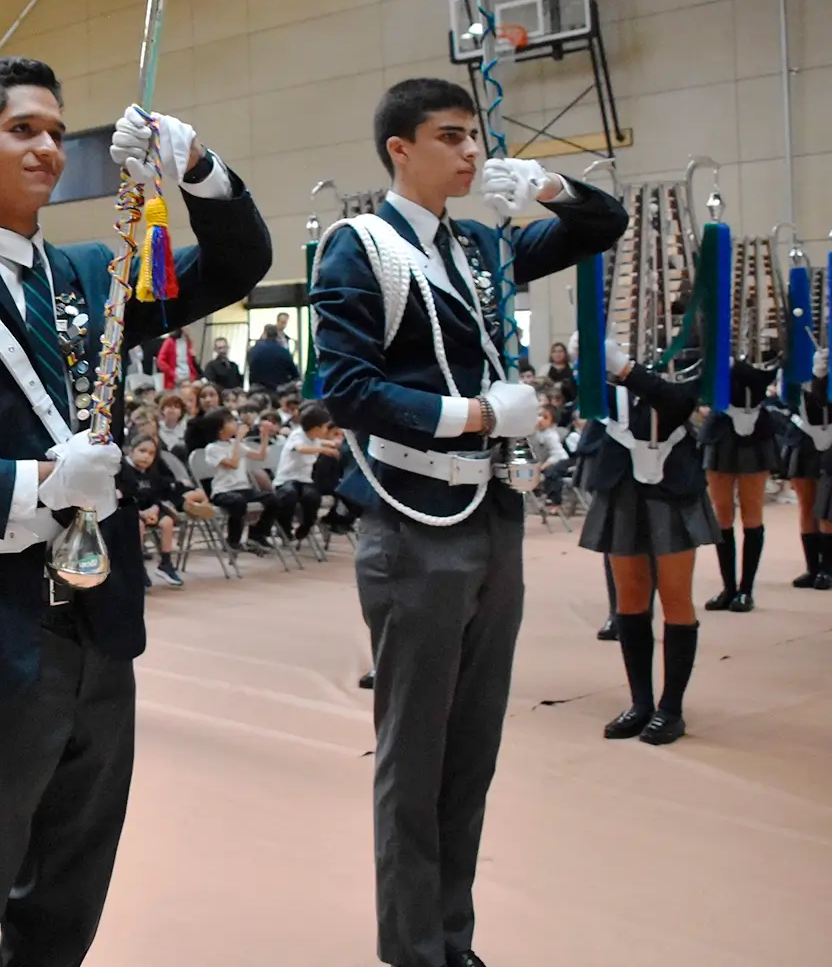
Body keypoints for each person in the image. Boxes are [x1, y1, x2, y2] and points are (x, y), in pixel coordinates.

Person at [0, 57, 271, 967]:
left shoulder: (95, 275)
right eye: (21, 129)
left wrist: (193, 163)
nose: (47, 146)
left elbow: (241, 264)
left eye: (54, 128)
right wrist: (37, 481)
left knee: (77, 872)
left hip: (98, 624)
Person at [311, 76, 627, 967]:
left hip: (491, 513)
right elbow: (344, 389)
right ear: (399, 150)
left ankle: (453, 936)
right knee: (414, 756)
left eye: (476, 138)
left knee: (473, 746)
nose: (472, 154)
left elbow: (605, 226)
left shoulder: (482, 247)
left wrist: (553, 190)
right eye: (451, 137)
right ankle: (413, 948)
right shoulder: (362, 248)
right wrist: (479, 415)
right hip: (414, 519)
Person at [577, 337, 714, 746]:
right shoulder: (609, 345)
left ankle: (671, 708)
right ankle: (641, 702)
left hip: (671, 480)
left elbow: (680, 402)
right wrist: (588, 361)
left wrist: (628, 371)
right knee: (630, 599)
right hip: (621, 479)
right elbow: (589, 405)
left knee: (675, 596)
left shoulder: (688, 344)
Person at [697, 351, 781, 613]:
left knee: (752, 512)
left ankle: (746, 589)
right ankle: (729, 588)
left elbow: (767, 372)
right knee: (721, 513)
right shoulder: (710, 331)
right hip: (721, 430)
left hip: (753, 430)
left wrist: (736, 364)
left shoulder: (762, 343)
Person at [782, 348, 832, 589]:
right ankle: (812, 567)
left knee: (828, 506)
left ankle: (828, 568)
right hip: (803, 432)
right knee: (807, 504)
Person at [119, 433, 192, 587]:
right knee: (138, 525)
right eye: (142, 451)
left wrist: (154, 509)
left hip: (149, 510)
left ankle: (165, 564)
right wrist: (140, 514)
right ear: (131, 451)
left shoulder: (152, 472)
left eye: (151, 453)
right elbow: (122, 497)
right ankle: (137, 567)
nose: (147, 456)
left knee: (167, 522)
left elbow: (157, 496)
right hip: (129, 511)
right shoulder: (123, 471)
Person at [204, 410, 275, 552]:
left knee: (272, 498)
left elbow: (260, 456)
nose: (235, 423)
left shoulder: (235, 444)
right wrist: (238, 440)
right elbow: (233, 463)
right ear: (220, 429)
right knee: (238, 502)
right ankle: (233, 540)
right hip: (223, 491)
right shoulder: (213, 448)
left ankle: (256, 535)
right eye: (230, 421)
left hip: (243, 488)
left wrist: (265, 434)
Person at [272, 401, 336, 544]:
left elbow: (321, 443)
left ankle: (305, 528)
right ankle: (284, 528)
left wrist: (333, 445)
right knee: (289, 495)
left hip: (304, 480)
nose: (327, 430)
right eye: (325, 426)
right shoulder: (297, 435)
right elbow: (301, 448)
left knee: (312, 497)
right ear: (316, 428)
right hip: (286, 480)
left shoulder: (314, 439)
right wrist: (324, 450)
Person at [246, 322, 299, 393]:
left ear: (265, 334)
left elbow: (251, 367)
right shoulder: (283, 351)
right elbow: (295, 374)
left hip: (259, 392)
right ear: (277, 335)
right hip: (279, 391)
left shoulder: (254, 351)